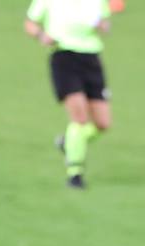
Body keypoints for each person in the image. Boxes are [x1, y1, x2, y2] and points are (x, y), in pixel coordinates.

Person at [24, 0, 114, 189]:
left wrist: (101, 25)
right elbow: (30, 23)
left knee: (103, 124)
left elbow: (105, 24)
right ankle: (75, 174)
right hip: (63, 56)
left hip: (91, 58)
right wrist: (41, 35)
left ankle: (69, 143)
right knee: (79, 118)